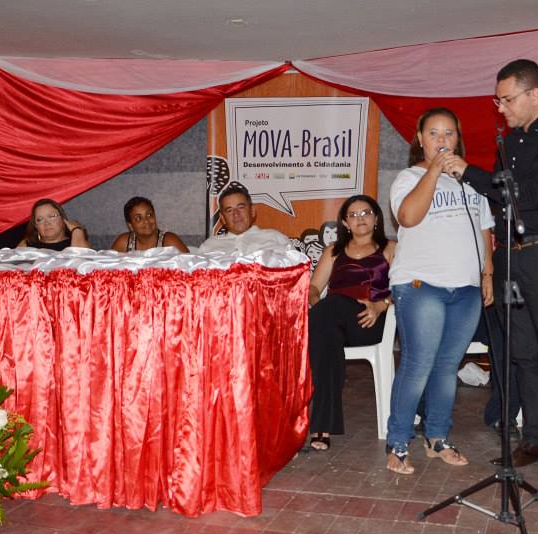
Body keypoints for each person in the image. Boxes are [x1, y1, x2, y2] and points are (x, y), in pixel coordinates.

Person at [444, 59, 538, 485]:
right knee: (522, 350)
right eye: (498, 101)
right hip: (511, 256)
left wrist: (469, 173)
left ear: (534, 95)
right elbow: (500, 198)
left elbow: (531, 195)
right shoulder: (512, 140)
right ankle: (537, 440)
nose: (501, 108)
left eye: (506, 99)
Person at [385, 107, 494, 475]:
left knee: (448, 367)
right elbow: (408, 217)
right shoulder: (408, 178)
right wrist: (433, 170)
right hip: (421, 285)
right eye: (434, 133)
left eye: (449, 133)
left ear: (458, 138)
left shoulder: (471, 181)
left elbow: (484, 230)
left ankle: (437, 438)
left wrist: (488, 273)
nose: (442, 140)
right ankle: (398, 441)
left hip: (466, 288)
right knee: (418, 364)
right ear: (420, 139)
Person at [307, 195, 396, 451]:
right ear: (345, 223)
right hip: (334, 322)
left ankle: (317, 423)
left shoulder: (390, 248)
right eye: (353, 215)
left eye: (366, 212)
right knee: (327, 336)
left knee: (329, 310)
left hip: (370, 321)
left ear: (376, 218)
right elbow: (313, 288)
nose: (360, 218)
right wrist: (317, 304)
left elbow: (404, 288)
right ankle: (322, 427)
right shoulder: (333, 251)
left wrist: (381, 305)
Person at [197, 184, 291, 255]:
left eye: (241, 207)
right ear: (222, 218)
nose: (236, 214)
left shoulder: (275, 238)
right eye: (229, 210)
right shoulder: (209, 246)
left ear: (252, 211)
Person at [110, 197, 187, 253]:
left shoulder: (170, 242)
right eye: (138, 218)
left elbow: (190, 267)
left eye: (149, 215)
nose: (146, 221)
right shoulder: (124, 243)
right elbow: (107, 267)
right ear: (130, 225)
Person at [19, 198, 90, 250]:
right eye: (39, 219)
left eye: (51, 216)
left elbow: (82, 261)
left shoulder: (76, 241)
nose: (46, 223)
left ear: (62, 219)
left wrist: (77, 231)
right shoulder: (26, 246)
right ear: (35, 226)